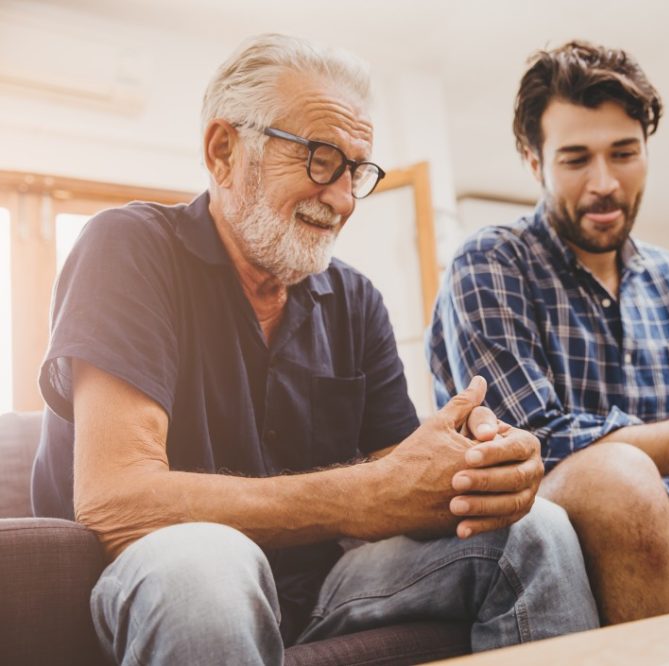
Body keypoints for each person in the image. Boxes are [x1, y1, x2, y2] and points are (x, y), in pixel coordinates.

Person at [30, 33, 598, 665]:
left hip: (327, 585)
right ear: (223, 151)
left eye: (358, 171)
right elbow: (117, 501)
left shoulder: (356, 300)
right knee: (207, 562)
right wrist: (366, 492)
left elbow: (404, 480)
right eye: (322, 158)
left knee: (537, 530)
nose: (344, 198)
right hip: (163, 575)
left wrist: (479, 470)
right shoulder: (128, 247)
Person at [427, 40, 669, 625]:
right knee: (618, 478)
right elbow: (535, 445)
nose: (604, 182)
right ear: (536, 163)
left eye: (623, 154)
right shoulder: (490, 263)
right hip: (548, 517)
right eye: (576, 159)